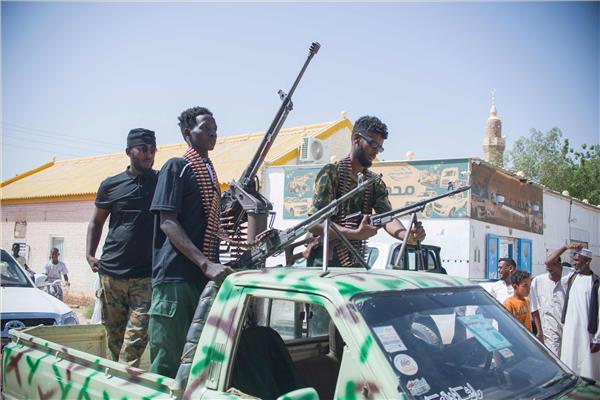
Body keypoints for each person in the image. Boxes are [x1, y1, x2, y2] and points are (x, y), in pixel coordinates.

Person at [148, 106, 234, 378]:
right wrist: (204, 262)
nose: (213, 133)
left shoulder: (208, 172)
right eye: (206, 128)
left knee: (196, 362)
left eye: (215, 128)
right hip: (176, 279)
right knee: (168, 363)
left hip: (198, 278)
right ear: (188, 133)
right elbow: (168, 222)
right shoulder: (177, 167)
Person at [306, 115, 426, 267]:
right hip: (324, 261)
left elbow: (387, 217)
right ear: (357, 139)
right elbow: (314, 223)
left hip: (355, 260)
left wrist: (408, 235)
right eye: (373, 145)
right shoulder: (331, 173)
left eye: (380, 147)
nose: (376, 152)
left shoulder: (374, 182)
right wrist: (355, 234)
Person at [86, 128, 158, 367]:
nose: (149, 155)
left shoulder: (161, 182)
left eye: (152, 149)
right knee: (115, 342)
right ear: (129, 151)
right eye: (143, 149)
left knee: (134, 344)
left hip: (145, 278)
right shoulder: (111, 185)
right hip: (112, 275)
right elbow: (96, 222)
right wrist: (89, 254)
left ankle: (125, 385)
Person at [530, 243, 579, 356]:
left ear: (559, 265)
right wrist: (539, 331)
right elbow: (534, 308)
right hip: (550, 328)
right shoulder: (538, 281)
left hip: (569, 327)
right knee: (555, 358)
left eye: (552, 265)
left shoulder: (570, 276)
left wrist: (566, 247)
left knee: (570, 358)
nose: (549, 268)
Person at [560, 248, 600, 380]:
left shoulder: (596, 283)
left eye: (577, 260)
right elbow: (549, 262)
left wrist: (598, 338)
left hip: (587, 333)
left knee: (587, 367)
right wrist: (566, 247)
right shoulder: (571, 277)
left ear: (587, 261)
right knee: (569, 362)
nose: (574, 263)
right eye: (574, 260)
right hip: (570, 331)